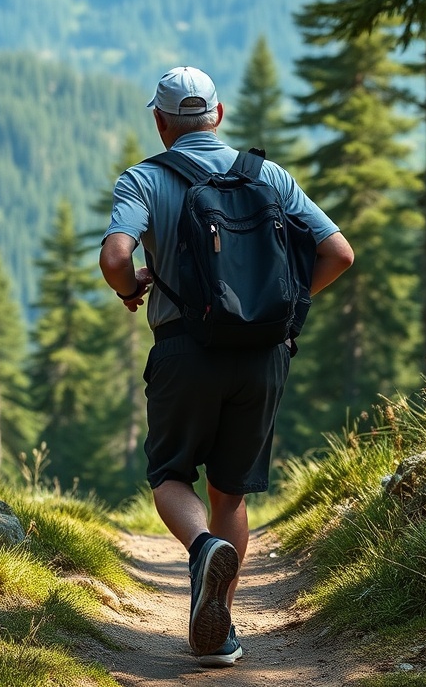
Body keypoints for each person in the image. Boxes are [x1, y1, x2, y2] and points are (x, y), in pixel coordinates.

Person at [99, 66, 353, 667]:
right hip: (263, 354)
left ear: (161, 123)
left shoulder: (145, 178)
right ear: (217, 114)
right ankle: (219, 629)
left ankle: (202, 548)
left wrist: (127, 287)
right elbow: (337, 253)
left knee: (169, 473)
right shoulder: (267, 175)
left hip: (185, 348)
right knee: (231, 491)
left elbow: (115, 256)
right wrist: (287, 313)